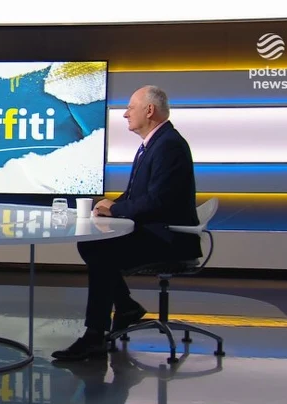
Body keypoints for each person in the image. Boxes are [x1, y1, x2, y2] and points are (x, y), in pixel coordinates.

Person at [52, 85, 202, 361]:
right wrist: (110, 204)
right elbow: (138, 194)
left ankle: (96, 334)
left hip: (170, 240)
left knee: (101, 251)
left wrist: (116, 209)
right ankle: (125, 307)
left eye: (131, 108)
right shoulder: (155, 143)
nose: (125, 114)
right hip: (158, 233)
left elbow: (158, 201)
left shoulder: (169, 145)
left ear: (149, 110)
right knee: (92, 245)